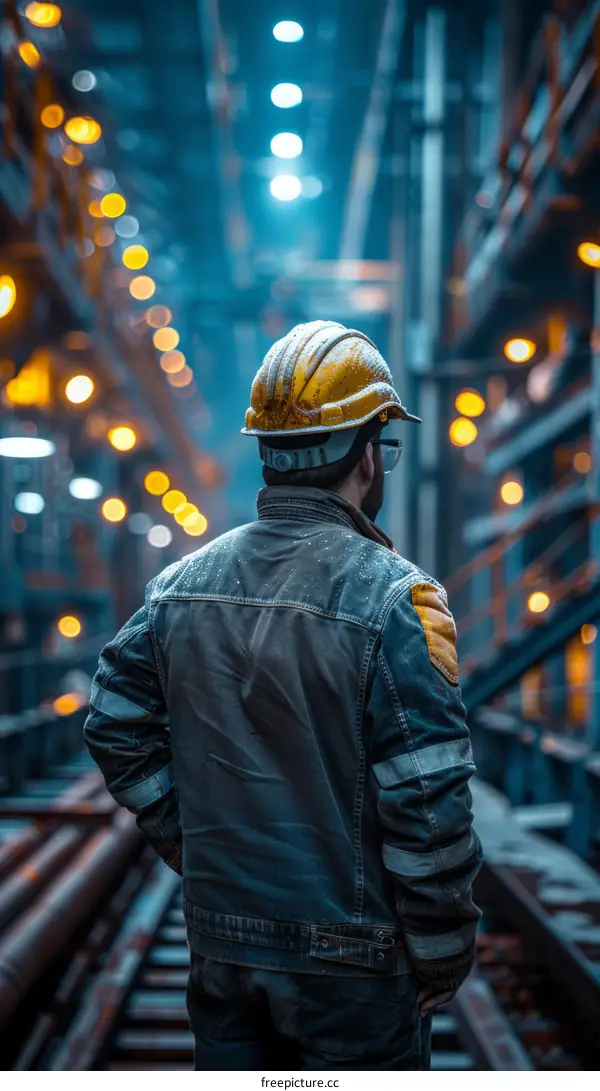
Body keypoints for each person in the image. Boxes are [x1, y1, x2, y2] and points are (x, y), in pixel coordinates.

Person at [84, 320, 482, 1071]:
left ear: (268, 452)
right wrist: (441, 949)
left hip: (224, 945)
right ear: (369, 455)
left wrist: (188, 838)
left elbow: (113, 724)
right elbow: (428, 802)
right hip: (355, 967)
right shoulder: (397, 599)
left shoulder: (178, 588)